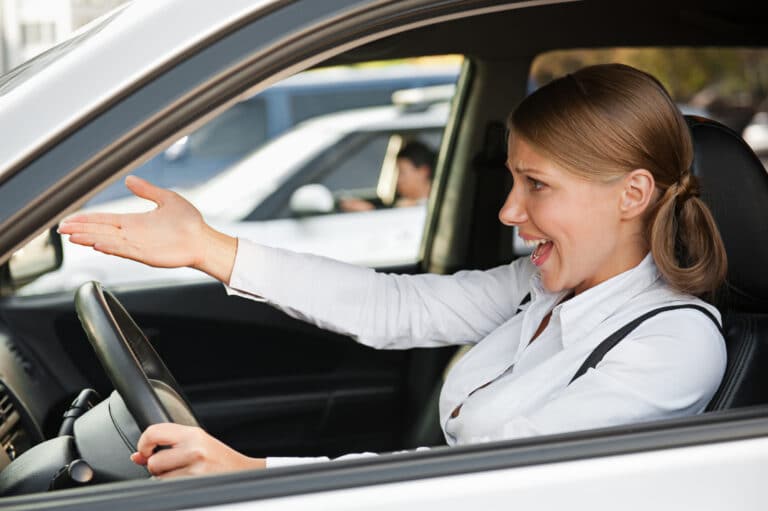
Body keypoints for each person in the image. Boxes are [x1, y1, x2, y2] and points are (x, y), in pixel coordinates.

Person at [58, 63, 728, 478]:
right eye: (510, 181)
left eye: (536, 185)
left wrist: (253, 473)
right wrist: (208, 247)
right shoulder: (545, 286)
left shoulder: (673, 344)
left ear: (632, 194)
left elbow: (477, 482)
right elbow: (393, 307)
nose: (507, 210)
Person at [338, 140, 435, 211]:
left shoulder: (434, 207)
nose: (398, 180)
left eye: (402, 173)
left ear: (423, 172)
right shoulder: (401, 205)